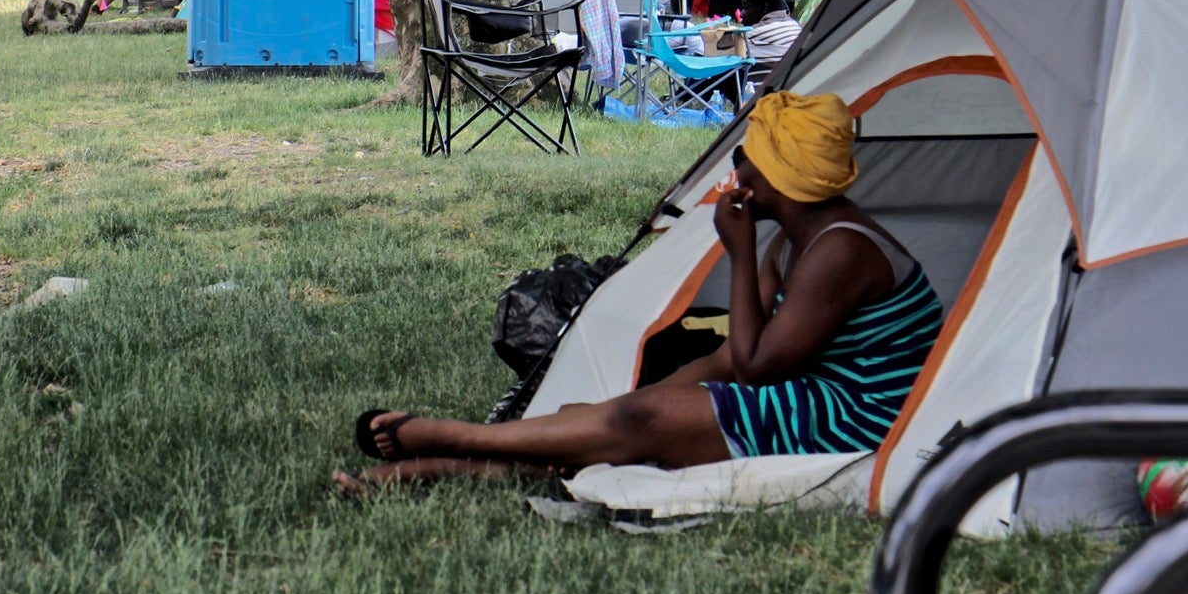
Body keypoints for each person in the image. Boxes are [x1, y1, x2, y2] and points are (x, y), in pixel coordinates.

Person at [336, 92, 943, 493]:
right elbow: (733, 355)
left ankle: (456, 437)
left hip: (860, 421)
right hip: (816, 397)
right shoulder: (794, 240)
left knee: (633, 423)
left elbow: (756, 369)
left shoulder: (839, 249)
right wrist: (628, 405)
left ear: (776, 176)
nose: (737, 172)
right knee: (614, 424)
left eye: (744, 157)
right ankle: (435, 468)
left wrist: (735, 253)